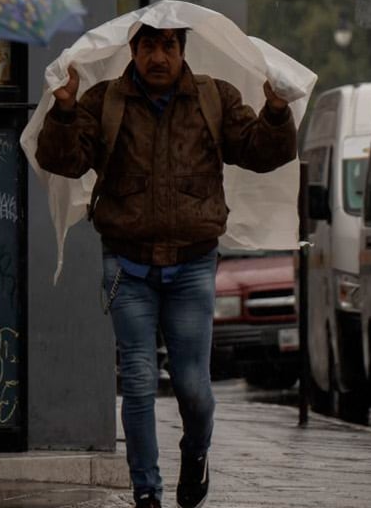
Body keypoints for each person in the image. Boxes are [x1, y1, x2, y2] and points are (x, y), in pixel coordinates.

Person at [36, 25, 297, 508]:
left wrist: (277, 111)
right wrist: (66, 109)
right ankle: (146, 491)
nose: (159, 56)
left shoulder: (214, 98)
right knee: (136, 379)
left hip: (193, 265)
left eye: (169, 46)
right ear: (133, 51)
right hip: (126, 264)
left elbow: (260, 152)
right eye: (149, 46)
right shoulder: (105, 101)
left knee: (194, 387)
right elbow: (64, 161)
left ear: (182, 51)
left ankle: (195, 452)